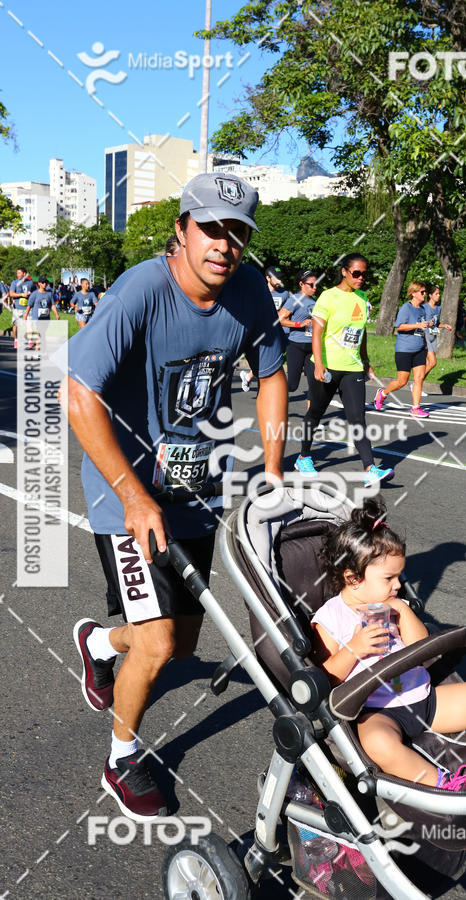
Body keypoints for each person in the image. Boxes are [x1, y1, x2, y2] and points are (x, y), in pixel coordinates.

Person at [65, 172, 287, 821]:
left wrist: (271, 470)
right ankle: (121, 760)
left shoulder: (248, 291)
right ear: (183, 229)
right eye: (212, 228)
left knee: (184, 644)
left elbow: (271, 375)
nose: (224, 243)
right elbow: (79, 395)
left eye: (237, 232)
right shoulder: (141, 291)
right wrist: (133, 497)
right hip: (126, 497)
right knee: (158, 643)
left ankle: (102, 647)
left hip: (196, 491)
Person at [312, 498, 466, 791]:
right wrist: (353, 648)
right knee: (377, 743)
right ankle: (441, 783)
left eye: (399, 576)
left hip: (423, 698)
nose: (398, 585)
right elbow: (326, 676)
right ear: (353, 578)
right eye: (389, 578)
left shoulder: (395, 604)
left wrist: (402, 610)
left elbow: (421, 648)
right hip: (378, 711)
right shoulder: (330, 617)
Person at [293, 254, 393, 486]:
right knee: (315, 413)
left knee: (358, 417)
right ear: (345, 272)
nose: (361, 278)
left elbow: (361, 332)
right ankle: (303, 457)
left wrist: (366, 360)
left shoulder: (362, 297)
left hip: (352, 368)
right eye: (356, 273)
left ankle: (370, 468)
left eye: (364, 274)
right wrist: (318, 363)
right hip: (327, 366)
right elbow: (317, 332)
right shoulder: (328, 297)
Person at [374, 281, 433, 418]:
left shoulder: (423, 309)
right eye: (422, 292)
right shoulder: (406, 308)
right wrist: (417, 325)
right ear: (413, 293)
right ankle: (382, 393)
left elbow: (422, 325)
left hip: (419, 349)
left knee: (419, 378)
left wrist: (428, 324)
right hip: (404, 350)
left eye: (425, 292)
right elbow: (399, 327)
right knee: (402, 381)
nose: (424, 294)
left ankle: (415, 408)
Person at [239, 265, 289, 392]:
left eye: (280, 278)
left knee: (272, 361)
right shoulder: (259, 291)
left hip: (280, 331)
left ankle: (249, 376)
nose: (279, 281)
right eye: (276, 278)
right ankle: (260, 385)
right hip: (262, 333)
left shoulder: (285, 294)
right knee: (265, 361)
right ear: (268, 278)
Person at [279, 269, 318, 399]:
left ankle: (310, 417)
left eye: (316, 284)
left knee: (314, 383)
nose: (315, 287)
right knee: (292, 385)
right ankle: (274, 393)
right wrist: (298, 324)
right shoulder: (294, 299)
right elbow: (280, 319)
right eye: (311, 284)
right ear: (301, 284)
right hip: (296, 345)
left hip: (312, 346)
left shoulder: (315, 301)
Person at [422, 284, 452, 388]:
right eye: (436, 294)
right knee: (433, 362)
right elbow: (420, 321)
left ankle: (418, 385)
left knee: (427, 365)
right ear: (430, 295)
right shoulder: (424, 307)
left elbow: (436, 323)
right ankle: (416, 382)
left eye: (439, 294)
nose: (438, 296)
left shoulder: (438, 308)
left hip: (433, 336)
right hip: (425, 336)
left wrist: (445, 325)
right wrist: (426, 323)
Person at [23, 276, 60, 352]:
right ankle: (37, 351)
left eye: (45, 282)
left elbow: (52, 305)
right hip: (37, 317)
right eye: (42, 282)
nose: (44, 284)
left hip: (46, 317)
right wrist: (25, 316)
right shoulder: (35, 294)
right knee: (40, 333)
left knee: (42, 333)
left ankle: (43, 350)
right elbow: (29, 305)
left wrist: (56, 314)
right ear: (39, 283)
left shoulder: (49, 294)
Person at [9, 266, 34, 349]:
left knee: (29, 324)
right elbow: (11, 294)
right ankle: (16, 340)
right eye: (17, 273)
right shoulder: (14, 282)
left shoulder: (30, 283)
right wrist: (22, 295)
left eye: (19, 273)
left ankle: (30, 341)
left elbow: (34, 293)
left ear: (24, 274)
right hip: (17, 307)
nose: (17, 275)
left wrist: (31, 295)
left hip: (27, 307)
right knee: (16, 325)